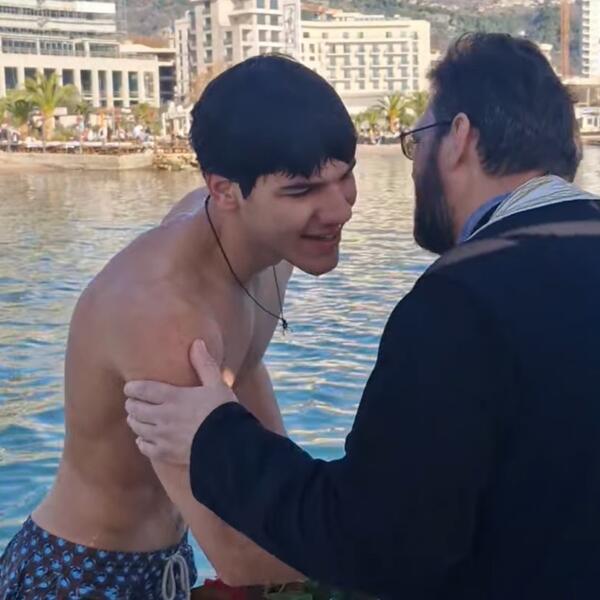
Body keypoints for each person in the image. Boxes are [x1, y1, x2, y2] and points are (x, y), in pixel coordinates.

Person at [124, 33, 600, 599]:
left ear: (459, 139)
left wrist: (214, 439)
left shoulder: (462, 300)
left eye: (416, 142)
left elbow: (381, 544)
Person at [0, 55, 357, 598]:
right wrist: (414, 542)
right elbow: (235, 553)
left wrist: (299, 485)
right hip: (84, 574)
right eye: (302, 191)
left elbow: (245, 363)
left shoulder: (267, 247)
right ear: (224, 190)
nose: (339, 210)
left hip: (170, 564)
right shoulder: (167, 317)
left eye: (345, 176)